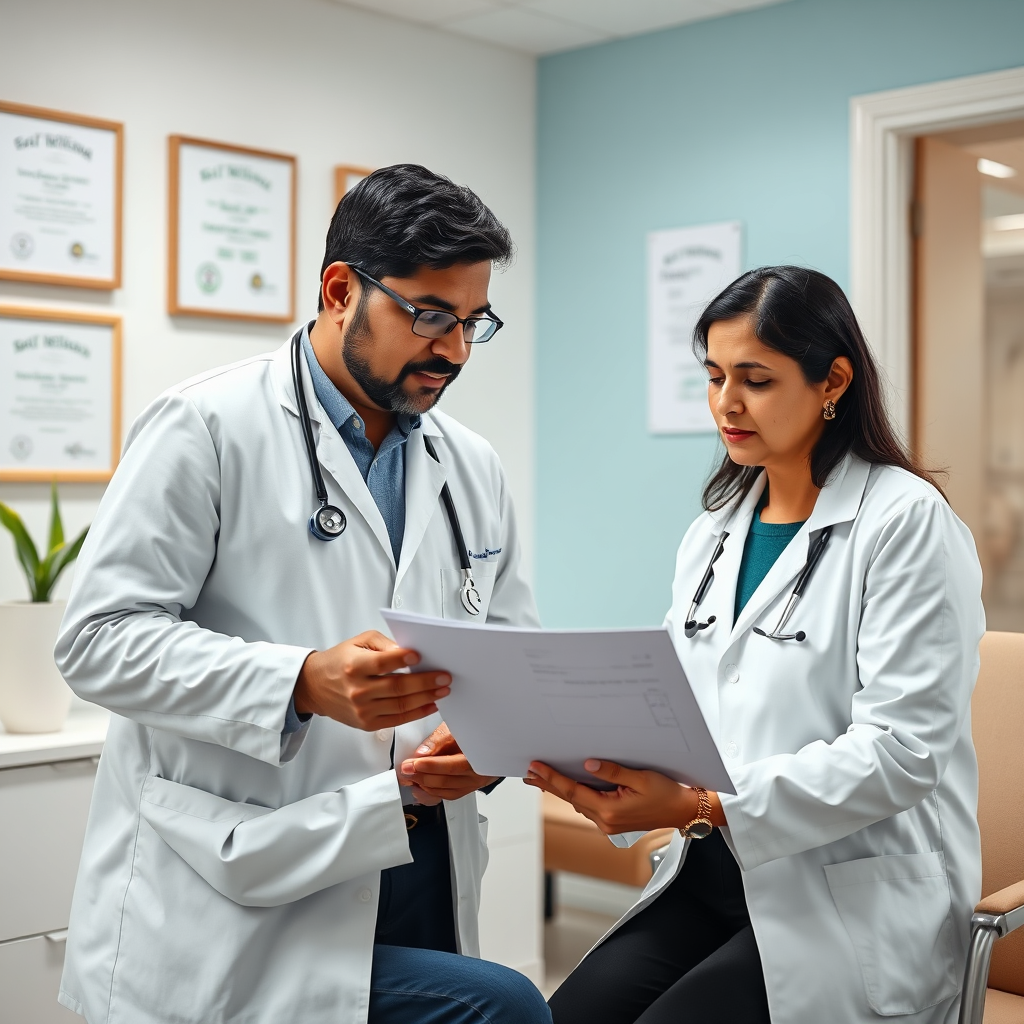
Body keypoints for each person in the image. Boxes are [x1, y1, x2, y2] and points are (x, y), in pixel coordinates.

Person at [54, 164, 551, 1024]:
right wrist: (299, 680)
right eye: (431, 316)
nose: (456, 351)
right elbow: (98, 640)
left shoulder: (470, 464)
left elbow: (510, 647)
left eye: (475, 322)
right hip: (241, 877)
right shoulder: (205, 427)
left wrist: (489, 743)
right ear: (338, 291)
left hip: (414, 851)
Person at [529, 266, 984, 1024]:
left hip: (844, 896)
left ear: (833, 380)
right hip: (715, 871)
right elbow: (678, 701)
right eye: (713, 376)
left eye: (756, 379)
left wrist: (703, 802)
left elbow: (902, 754)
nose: (725, 404)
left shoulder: (906, 524)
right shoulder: (712, 534)